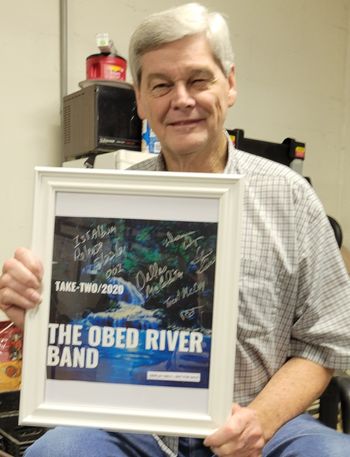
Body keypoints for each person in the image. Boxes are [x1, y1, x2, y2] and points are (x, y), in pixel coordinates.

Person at [1, 3, 350, 456]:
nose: (181, 99)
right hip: (129, 426)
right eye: (161, 85)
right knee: (56, 452)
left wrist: (258, 421)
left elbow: (326, 341)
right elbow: (72, 326)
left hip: (261, 422)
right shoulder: (101, 203)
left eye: (198, 80)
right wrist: (30, 301)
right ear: (141, 101)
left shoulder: (290, 197)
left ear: (230, 84)